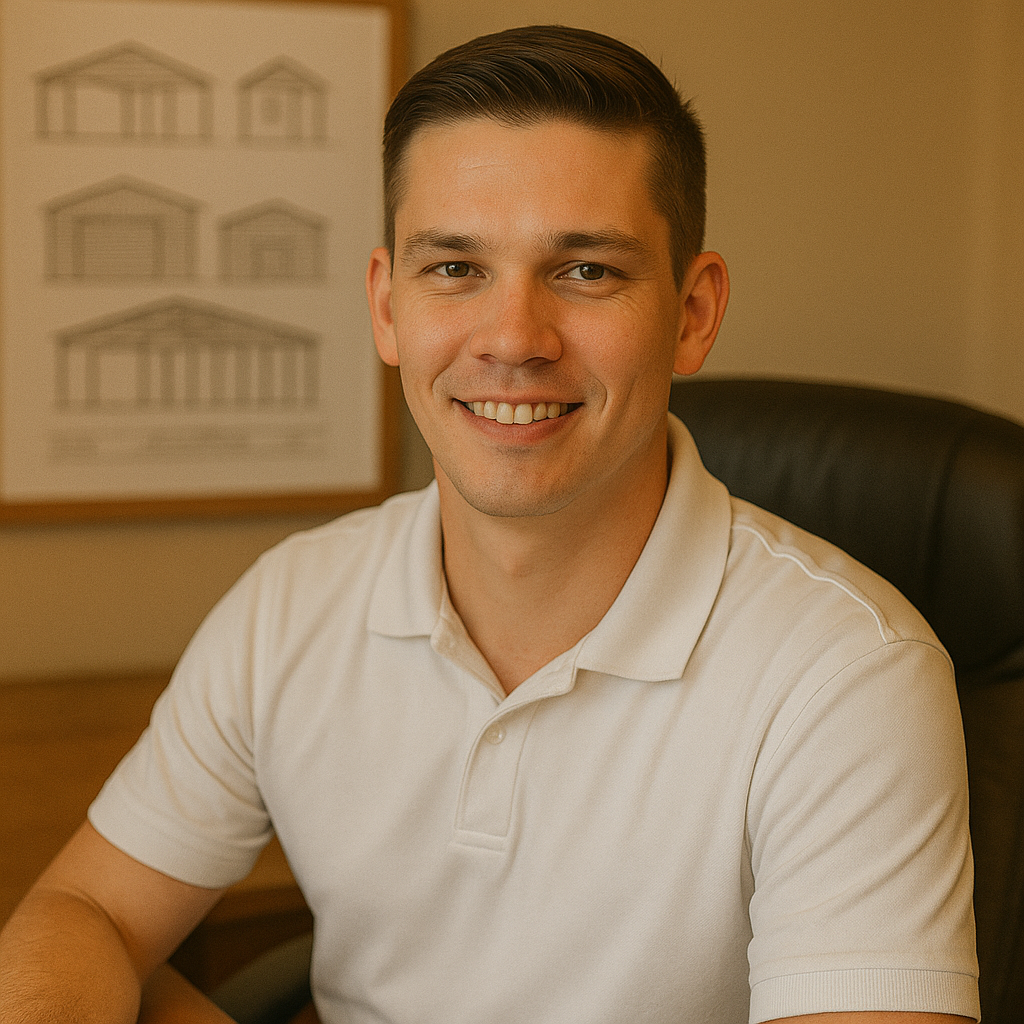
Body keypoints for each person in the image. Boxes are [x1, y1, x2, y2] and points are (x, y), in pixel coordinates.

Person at [0, 25, 979, 1024]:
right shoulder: (290, 603)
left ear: (691, 311)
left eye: (586, 270)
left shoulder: (847, 674)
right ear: (386, 305)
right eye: (455, 268)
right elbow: (87, 910)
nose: (512, 339)